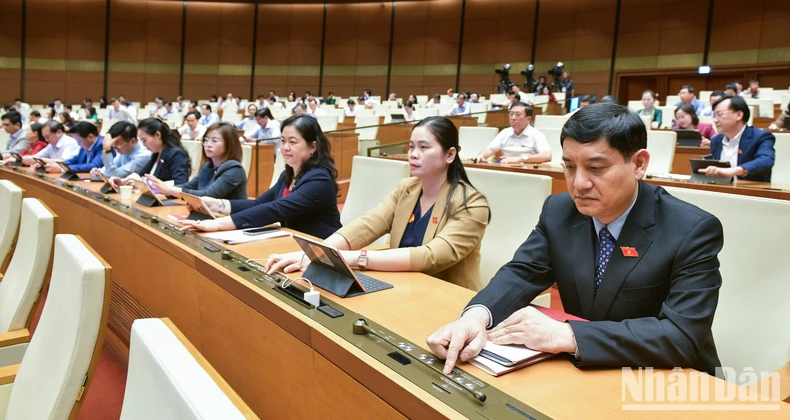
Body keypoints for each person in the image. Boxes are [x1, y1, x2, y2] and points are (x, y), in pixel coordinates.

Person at [426, 102, 724, 376]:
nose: (579, 183)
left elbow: (681, 337)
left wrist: (567, 335)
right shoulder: (560, 211)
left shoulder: (691, 230)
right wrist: (476, 317)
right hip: (588, 372)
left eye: (596, 168)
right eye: (569, 167)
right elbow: (522, 272)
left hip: (667, 381)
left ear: (639, 164)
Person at [264, 117, 490, 290]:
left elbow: (430, 256)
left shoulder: (471, 204)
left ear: (449, 155)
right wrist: (318, 253)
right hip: (401, 287)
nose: (413, 154)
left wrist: (354, 258)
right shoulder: (407, 188)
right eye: (411, 147)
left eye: (424, 147)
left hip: (447, 298)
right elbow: (369, 224)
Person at [180, 115, 342, 238]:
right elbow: (259, 203)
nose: (285, 147)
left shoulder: (320, 178)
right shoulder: (289, 174)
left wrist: (219, 224)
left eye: (293, 142)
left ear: (312, 146)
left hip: (319, 246)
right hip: (292, 242)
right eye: (283, 141)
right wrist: (217, 205)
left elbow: (276, 209)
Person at [147, 122, 247, 201]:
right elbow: (188, 186)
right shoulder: (208, 166)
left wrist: (171, 190)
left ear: (229, 144)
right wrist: (162, 186)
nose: (208, 144)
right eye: (206, 140)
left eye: (214, 141)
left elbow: (209, 195)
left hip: (228, 220)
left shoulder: (234, 169)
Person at [703, 96, 775, 182]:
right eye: (714, 116)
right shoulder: (716, 140)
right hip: (721, 190)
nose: (715, 120)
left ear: (738, 115)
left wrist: (736, 170)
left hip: (749, 192)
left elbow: (766, 160)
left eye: (719, 114)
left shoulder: (760, 136)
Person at [110, 118, 191, 188]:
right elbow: (141, 175)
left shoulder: (176, 154)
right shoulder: (156, 154)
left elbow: (181, 183)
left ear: (157, 135)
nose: (144, 145)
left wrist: (148, 184)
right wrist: (121, 181)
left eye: (145, 140)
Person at [473, 102, 551, 164]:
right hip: (506, 169)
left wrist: (521, 159)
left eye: (518, 115)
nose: (513, 118)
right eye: (511, 114)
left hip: (527, 171)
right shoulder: (505, 132)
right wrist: (481, 156)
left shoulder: (536, 135)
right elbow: (490, 149)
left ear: (528, 119)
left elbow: (547, 155)